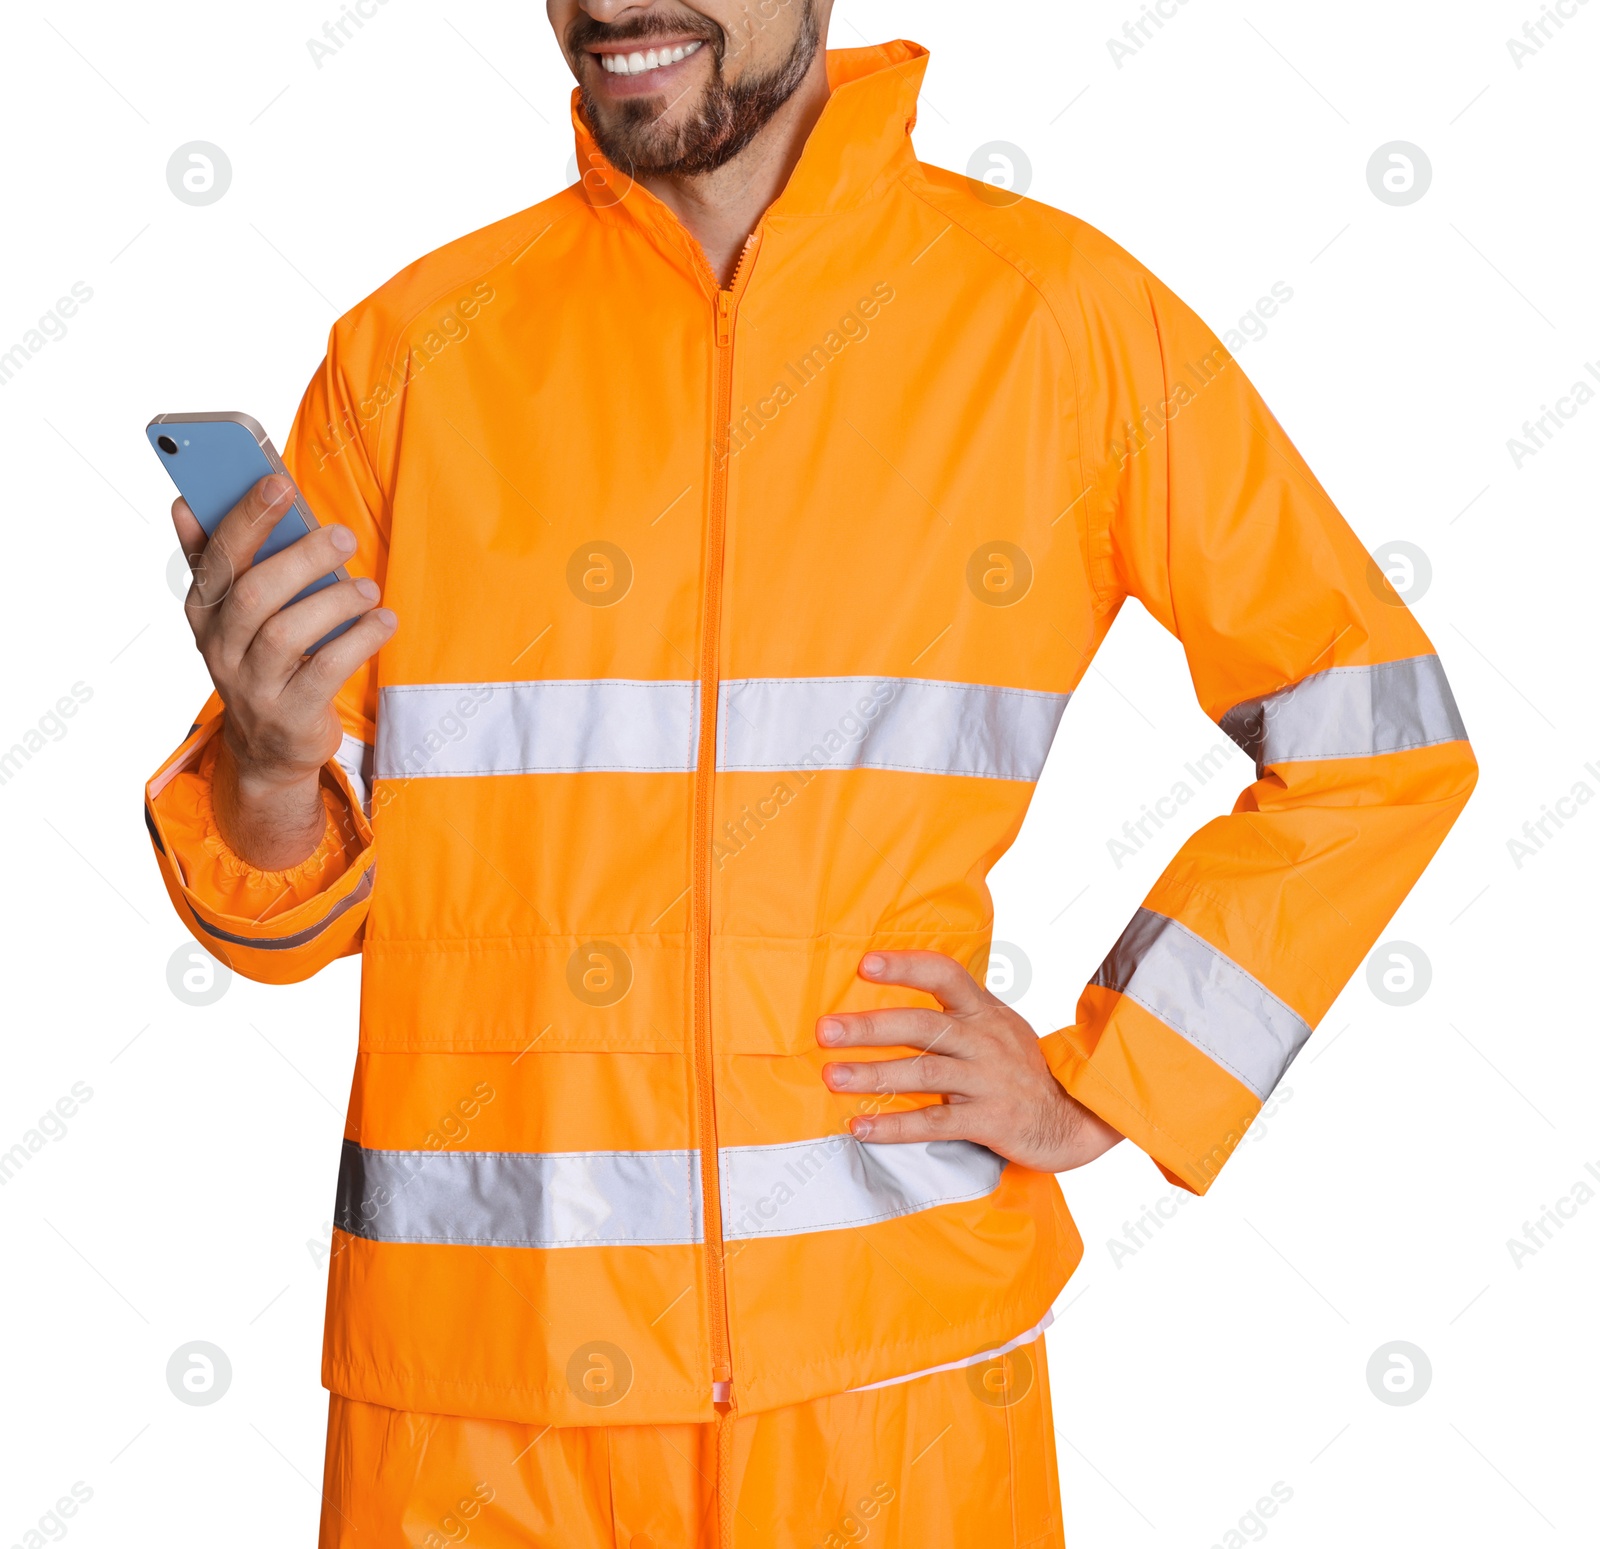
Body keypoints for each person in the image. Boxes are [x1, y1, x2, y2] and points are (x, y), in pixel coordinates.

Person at [143, 3, 1477, 1544]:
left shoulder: (1056, 323)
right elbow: (280, 910)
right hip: (475, 1426)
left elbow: (1377, 737)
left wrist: (1112, 1077)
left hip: (889, 1403)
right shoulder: (411, 352)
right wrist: (267, 755)